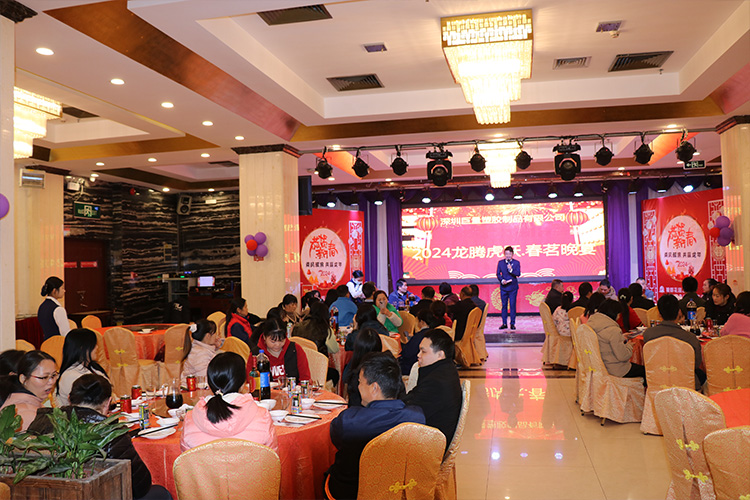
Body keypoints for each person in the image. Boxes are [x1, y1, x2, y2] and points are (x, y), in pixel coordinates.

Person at [29, 374, 171, 500]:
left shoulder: (42, 420)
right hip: (96, 495)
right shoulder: (110, 434)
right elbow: (141, 485)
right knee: (161, 493)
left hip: (45, 494)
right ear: (108, 403)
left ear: (69, 399)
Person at [326, 353, 425, 500]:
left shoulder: (349, 421)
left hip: (352, 492)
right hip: (396, 491)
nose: (358, 387)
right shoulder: (416, 418)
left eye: (360, 382)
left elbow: (334, 439)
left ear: (374, 388)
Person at [181, 352, 277, 453]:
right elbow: (272, 459)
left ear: (210, 384)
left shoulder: (190, 419)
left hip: (204, 464)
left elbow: (186, 460)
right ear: (243, 383)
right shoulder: (263, 416)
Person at [402, 330, 461, 450]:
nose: (418, 355)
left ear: (440, 355)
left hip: (429, 445)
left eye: (423, 351)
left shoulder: (437, 382)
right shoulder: (446, 370)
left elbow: (410, 413)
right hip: (432, 435)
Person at [643, 294, 706, 389]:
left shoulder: (648, 334)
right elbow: (696, 364)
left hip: (658, 381)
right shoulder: (690, 338)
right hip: (685, 384)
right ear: (679, 312)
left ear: (659, 314)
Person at [0, 350, 57, 430]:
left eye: (54, 375)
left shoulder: (17, 399)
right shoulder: (26, 415)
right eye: (44, 377)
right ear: (23, 379)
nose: (51, 382)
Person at [587, 300, 644, 378]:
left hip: (600, 367)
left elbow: (605, 339)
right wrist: (629, 346)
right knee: (645, 371)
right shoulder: (613, 330)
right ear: (615, 313)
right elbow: (623, 356)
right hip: (616, 369)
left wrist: (621, 337)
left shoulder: (592, 325)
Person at [55, 328, 109, 407]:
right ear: (82, 348)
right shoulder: (70, 375)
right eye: (94, 345)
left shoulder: (93, 367)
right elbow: (91, 403)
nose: (97, 347)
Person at [342, 328, 383, 407]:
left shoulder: (356, 374)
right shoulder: (385, 369)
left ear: (357, 348)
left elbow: (345, 379)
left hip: (360, 412)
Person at [398, 310, 437, 375]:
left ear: (422, 322)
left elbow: (407, 354)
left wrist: (408, 343)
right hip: (431, 367)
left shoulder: (419, 336)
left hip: (413, 367)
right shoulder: (434, 333)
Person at [496, 246, 521, 330]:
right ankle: (504, 323)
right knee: (504, 305)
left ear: (512, 254)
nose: (508, 255)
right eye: (506, 254)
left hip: (513, 288)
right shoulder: (500, 263)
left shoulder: (516, 263)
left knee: (512, 305)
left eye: (509, 254)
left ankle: (512, 323)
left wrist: (511, 270)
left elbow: (518, 274)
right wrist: (502, 280)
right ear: (504, 254)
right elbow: (498, 274)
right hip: (504, 287)